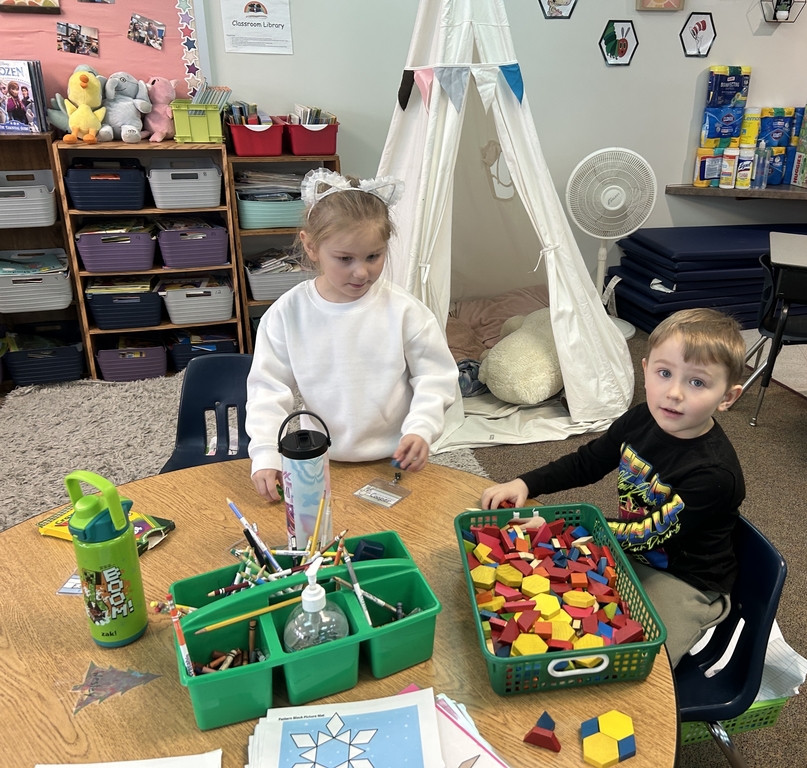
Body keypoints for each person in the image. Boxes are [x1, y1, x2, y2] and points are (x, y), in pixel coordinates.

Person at [480, 307, 746, 666]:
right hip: (627, 549)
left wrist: (565, 529)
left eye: (697, 382)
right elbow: (588, 462)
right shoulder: (641, 418)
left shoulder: (714, 473)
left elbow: (646, 533)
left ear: (727, 397)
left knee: (638, 657)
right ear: (645, 369)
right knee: (552, 602)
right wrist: (526, 481)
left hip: (685, 580)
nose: (674, 393)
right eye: (664, 373)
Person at [246, 170, 459, 502]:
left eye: (374, 256)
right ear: (311, 246)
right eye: (345, 259)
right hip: (318, 458)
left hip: (396, 459)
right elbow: (267, 390)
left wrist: (422, 428)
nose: (361, 272)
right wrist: (265, 451)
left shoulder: (405, 311)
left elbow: (436, 377)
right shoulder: (287, 313)